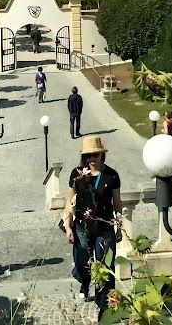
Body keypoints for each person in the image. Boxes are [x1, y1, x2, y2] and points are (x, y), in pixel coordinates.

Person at [63, 136, 122, 319]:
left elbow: (117, 203)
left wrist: (119, 225)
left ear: (101, 155)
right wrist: (68, 225)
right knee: (82, 264)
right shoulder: (77, 174)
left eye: (95, 155)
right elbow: (69, 201)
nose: (92, 159)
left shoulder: (111, 175)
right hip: (82, 227)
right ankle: (83, 280)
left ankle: (104, 306)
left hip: (104, 227)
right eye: (88, 156)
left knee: (105, 267)